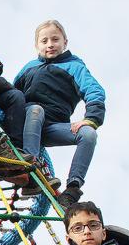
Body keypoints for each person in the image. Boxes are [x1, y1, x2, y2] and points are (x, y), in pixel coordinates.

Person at [15, 20, 106, 208]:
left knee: (89, 134)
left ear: (65, 42)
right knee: (35, 109)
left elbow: (94, 90)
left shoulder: (75, 67)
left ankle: (73, 188)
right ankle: (31, 167)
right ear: (36, 45)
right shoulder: (29, 67)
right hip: (27, 120)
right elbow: (11, 92)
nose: (50, 44)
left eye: (55, 39)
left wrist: (91, 119)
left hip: (52, 126)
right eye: (44, 41)